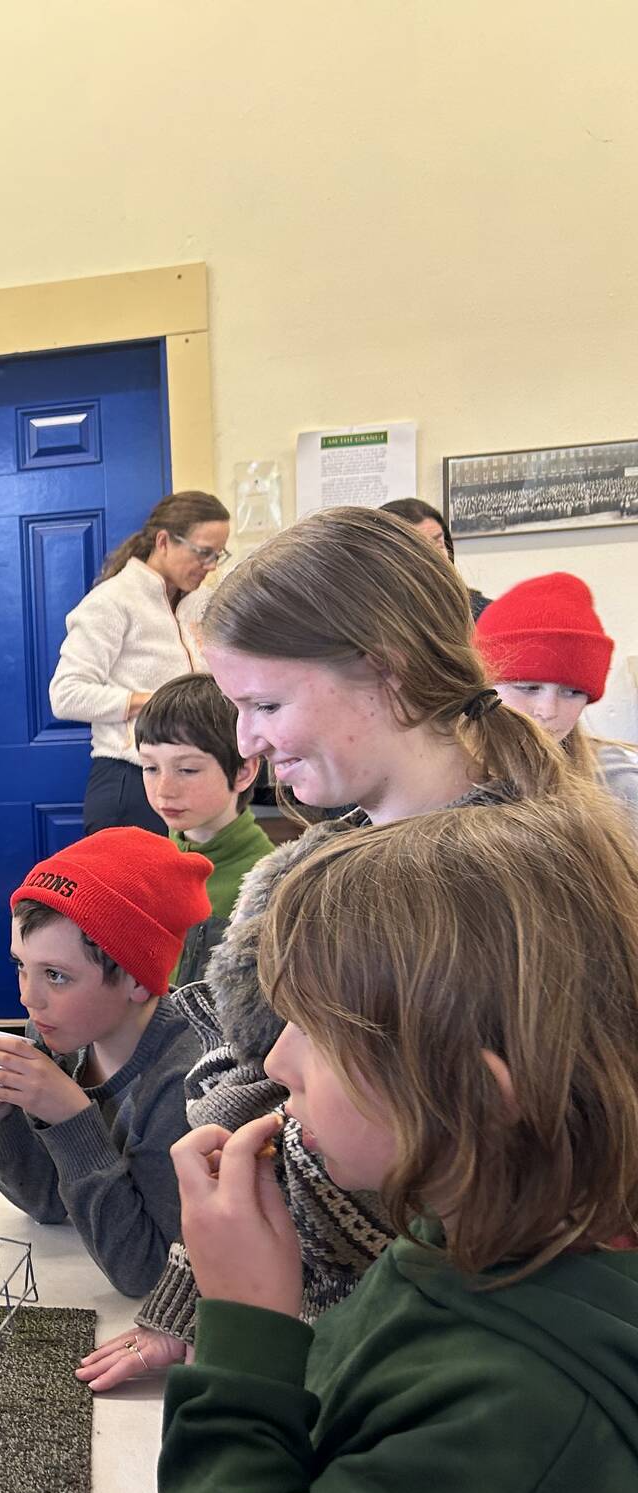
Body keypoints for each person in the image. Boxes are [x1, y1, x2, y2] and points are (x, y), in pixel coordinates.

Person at [78, 504, 584, 1394]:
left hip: (444, 1362)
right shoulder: (324, 861)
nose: (247, 743)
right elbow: (264, 1076)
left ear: (384, 676)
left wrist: (238, 1318)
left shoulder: (482, 887)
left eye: (265, 704)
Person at [157, 795, 638, 1493]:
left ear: (472, 1094)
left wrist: (244, 1325)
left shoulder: (518, 1411)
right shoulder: (464, 1224)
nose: (280, 1062)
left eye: (316, 1031)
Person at [0, 829, 212, 1296]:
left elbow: (150, 1274)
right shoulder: (61, 1033)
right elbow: (48, 1204)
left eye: (56, 975)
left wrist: (72, 1118)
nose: (29, 998)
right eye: (21, 966)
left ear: (138, 978)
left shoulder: (184, 1085)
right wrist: (3, 1115)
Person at [49, 491, 232, 834]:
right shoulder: (112, 602)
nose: (211, 566)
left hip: (198, 777)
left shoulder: (202, 603)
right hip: (130, 781)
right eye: (203, 552)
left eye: (218, 554)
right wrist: (161, 704)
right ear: (164, 542)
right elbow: (66, 695)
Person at [134, 673, 274, 986]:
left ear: (243, 771)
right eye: (150, 767)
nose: (164, 790)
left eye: (187, 769)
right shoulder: (141, 869)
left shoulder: (267, 885)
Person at [476, 571, 638, 825]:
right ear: (482, 685)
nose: (548, 710)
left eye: (572, 692)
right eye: (528, 687)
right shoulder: (437, 776)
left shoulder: (618, 786)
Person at [379, 495, 491, 617]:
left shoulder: (483, 614)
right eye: (419, 548)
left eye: (439, 544)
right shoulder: (373, 619)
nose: (434, 556)